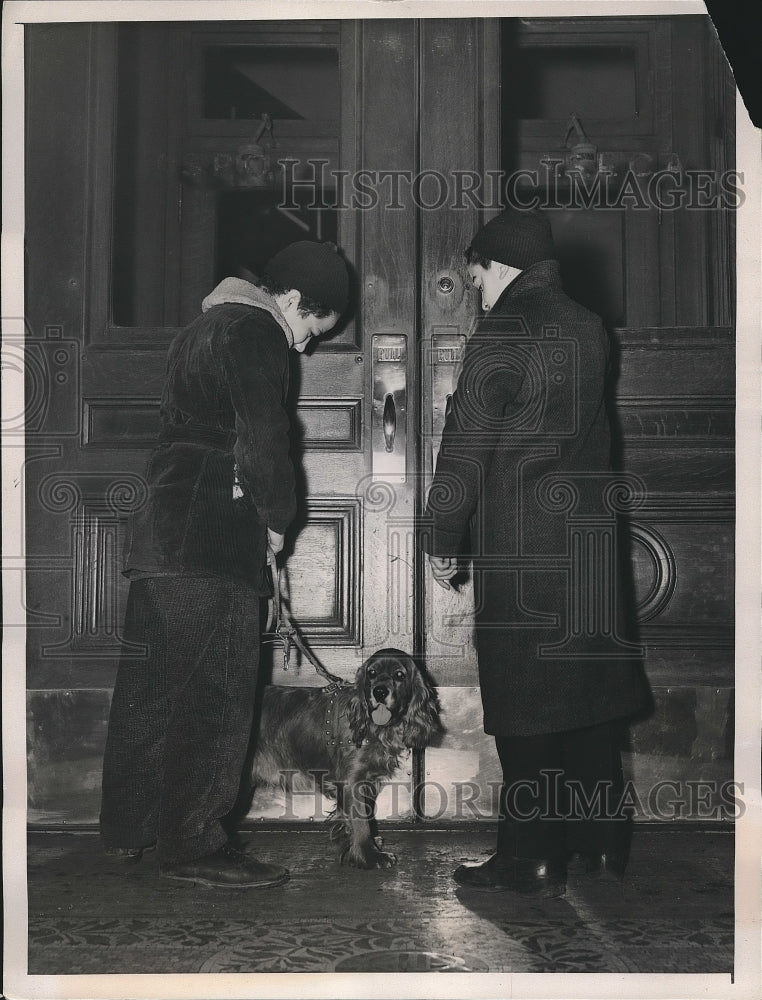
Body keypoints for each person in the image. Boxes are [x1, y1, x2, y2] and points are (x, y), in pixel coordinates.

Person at [100, 240, 350, 888]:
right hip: (212, 532)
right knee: (215, 693)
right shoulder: (257, 330)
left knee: (151, 692)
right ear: (291, 301)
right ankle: (194, 844)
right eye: (309, 329)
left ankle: (133, 829)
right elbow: (262, 437)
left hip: (161, 529)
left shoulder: (199, 329)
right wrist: (274, 520)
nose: (304, 346)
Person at [422, 207, 650, 897]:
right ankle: (600, 843)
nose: (475, 288)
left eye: (476, 275)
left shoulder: (504, 330)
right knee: (585, 698)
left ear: (498, 266)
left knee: (526, 704)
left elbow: (468, 443)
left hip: (523, 547)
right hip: (585, 546)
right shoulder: (587, 327)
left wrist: (441, 536)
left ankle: (530, 855)